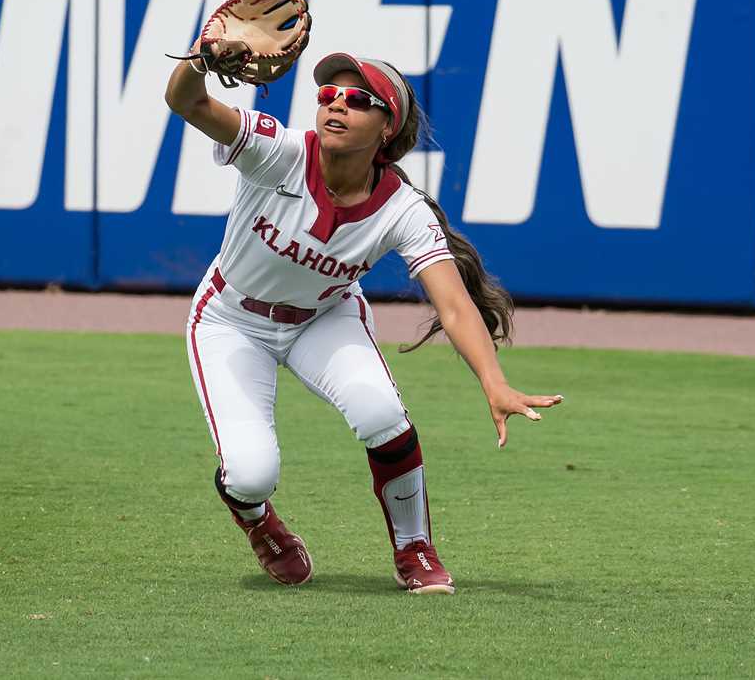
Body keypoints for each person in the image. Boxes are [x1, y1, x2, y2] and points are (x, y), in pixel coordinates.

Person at [164, 49, 563, 594]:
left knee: (382, 412)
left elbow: (453, 305)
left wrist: (494, 382)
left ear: (387, 128)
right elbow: (183, 99)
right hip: (231, 318)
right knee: (251, 473)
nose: (336, 105)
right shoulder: (276, 150)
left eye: (357, 100)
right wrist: (201, 59)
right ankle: (258, 521)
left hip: (323, 317)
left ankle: (414, 548)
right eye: (328, 95)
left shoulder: (402, 208)